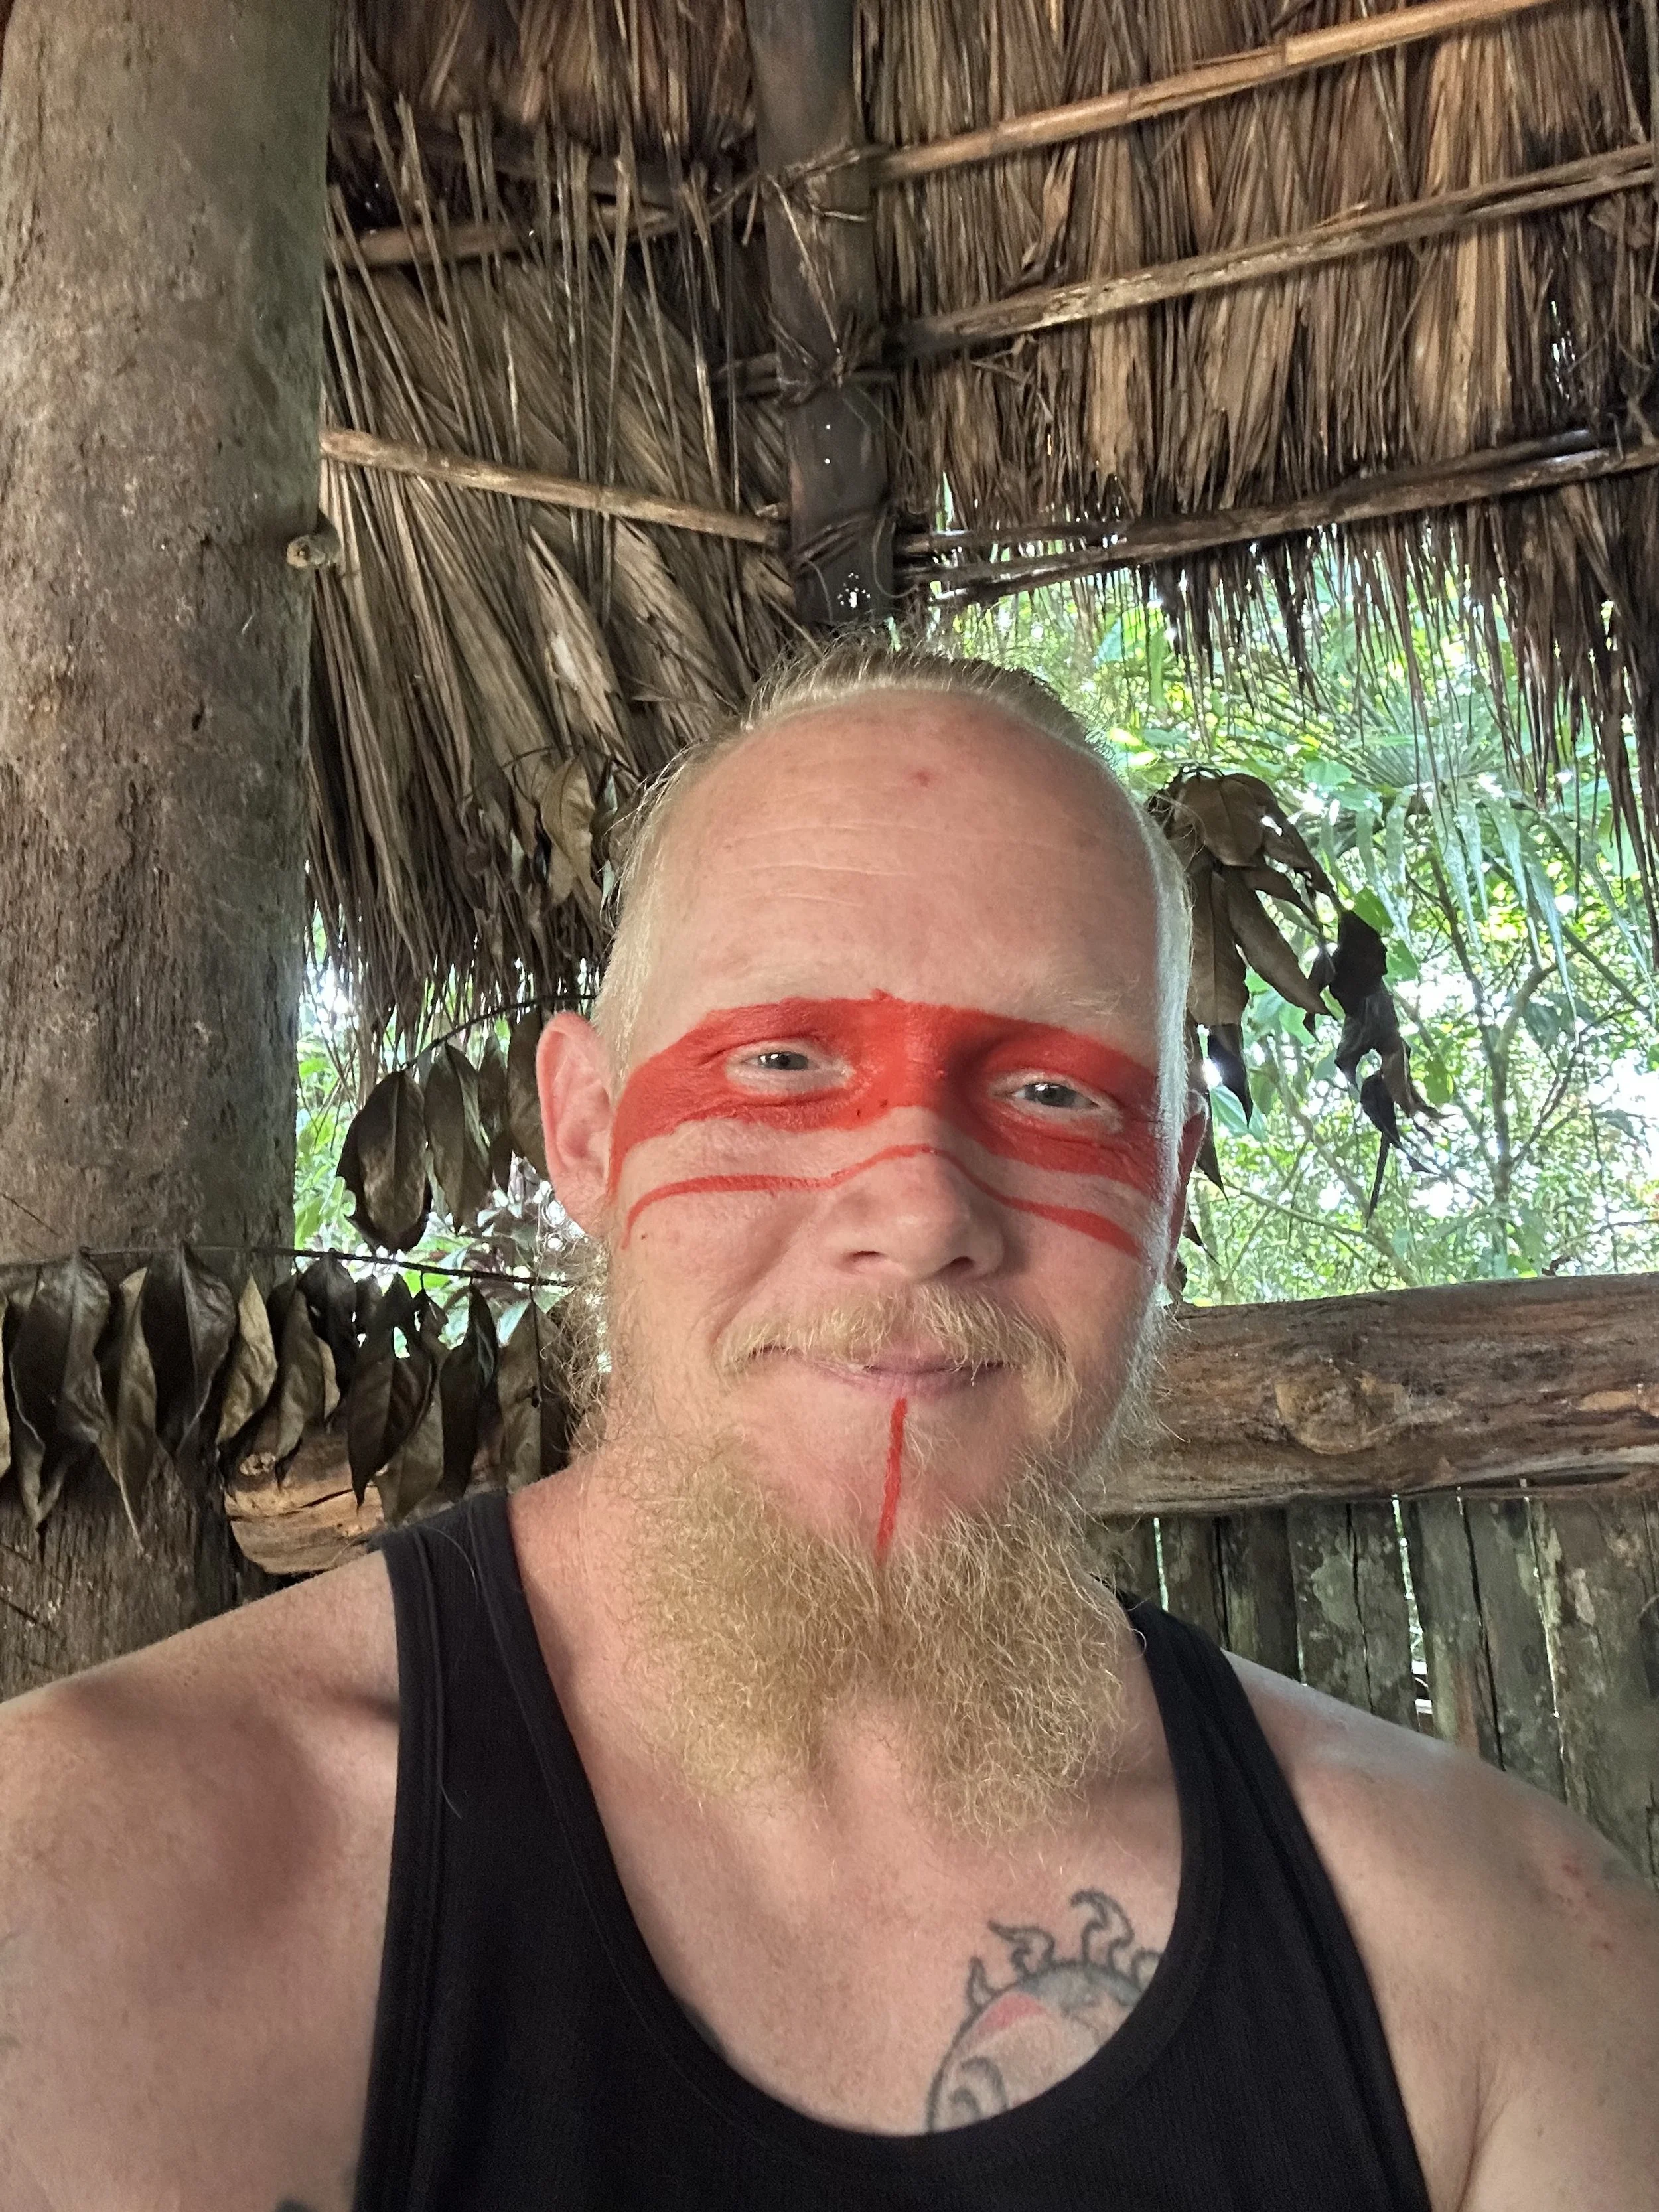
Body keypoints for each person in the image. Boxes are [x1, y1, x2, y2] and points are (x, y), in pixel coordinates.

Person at [1, 644, 1656, 2212]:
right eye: (785, 1060)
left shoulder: (1508, 1963)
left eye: (1057, 1093)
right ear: (582, 1132)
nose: (922, 1205)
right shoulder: (90, 1900)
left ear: (1164, 1186)